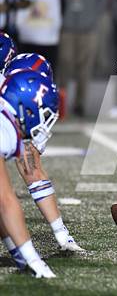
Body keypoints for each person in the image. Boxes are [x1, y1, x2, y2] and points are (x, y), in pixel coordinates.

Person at [0, 69, 59, 278]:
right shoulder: (4, 131)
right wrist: (32, 257)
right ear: (26, 110)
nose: (45, 122)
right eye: (44, 114)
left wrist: (18, 253)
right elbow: (5, 201)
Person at [58, 0, 107, 116]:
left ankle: (80, 104)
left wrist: (92, 19)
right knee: (64, 64)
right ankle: (60, 103)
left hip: (89, 29)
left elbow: (102, 0)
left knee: (85, 66)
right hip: (67, 28)